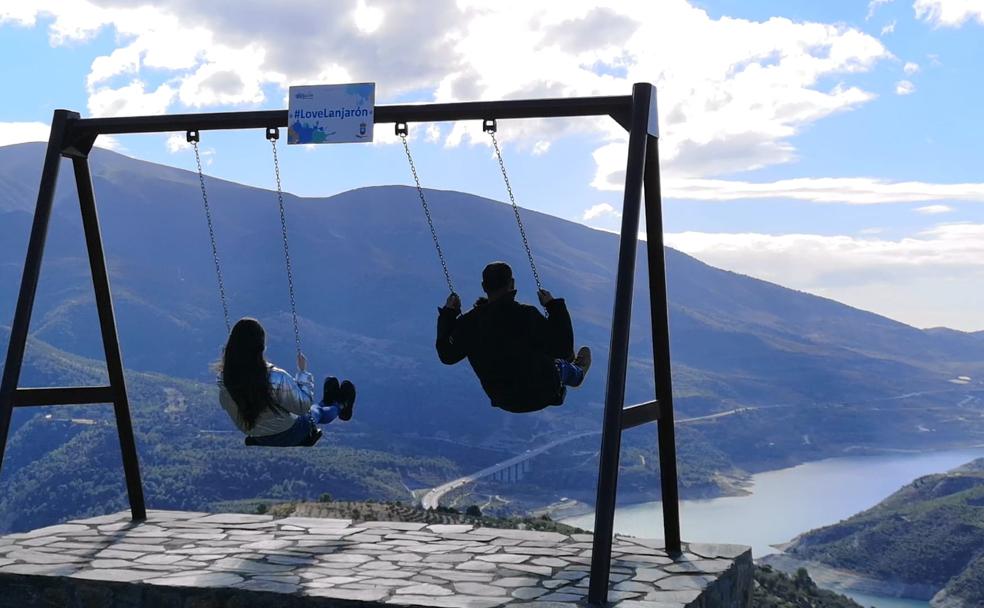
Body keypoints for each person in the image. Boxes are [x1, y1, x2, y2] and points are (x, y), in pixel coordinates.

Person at [436, 261, 591, 413]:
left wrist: (448, 314)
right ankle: (577, 373)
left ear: (484, 287)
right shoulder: (526, 315)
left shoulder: (469, 323)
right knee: (560, 364)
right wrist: (553, 306)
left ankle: (570, 369)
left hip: (504, 399)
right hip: (543, 391)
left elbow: (447, 355)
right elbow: (564, 348)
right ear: (512, 284)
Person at [217, 317, 356, 447]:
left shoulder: (225, 379)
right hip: (289, 433)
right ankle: (340, 405)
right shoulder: (274, 377)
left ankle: (328, 401)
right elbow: (303, 406)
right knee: (315, 412)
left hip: (256, 434)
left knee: (301, 411)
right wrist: (302, 373)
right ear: (262, 346)